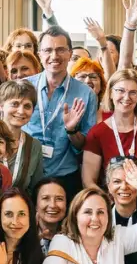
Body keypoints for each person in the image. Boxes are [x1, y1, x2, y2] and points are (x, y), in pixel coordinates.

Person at [26, 26, 99, 201]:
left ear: (70, 53)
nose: (54, 56)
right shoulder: (24, 87)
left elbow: (86, 146)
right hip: (26, 175)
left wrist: (72, 130)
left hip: (65, 177)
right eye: (48, 50)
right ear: (39, 53)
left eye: (60, 50)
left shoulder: (85, 93)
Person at [82, 69, 137, 186]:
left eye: (133, 92)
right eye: (120, 91)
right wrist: (107, 202)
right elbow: (88, 181)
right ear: (110, 93)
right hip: (114, 200)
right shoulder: (97, 133)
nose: (126, 97)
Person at [0, 80, 45, 191]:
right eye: (15, 104)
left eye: (27, 106)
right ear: (1, 106)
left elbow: (35, 189)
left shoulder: (34, 146)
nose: (21, 111)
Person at [34, 177, 67, 255]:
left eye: (59, 199)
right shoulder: (23, 234)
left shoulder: (74, 236)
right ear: (35, 205)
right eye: (45, 198)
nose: (52, 205)